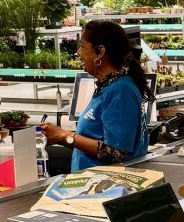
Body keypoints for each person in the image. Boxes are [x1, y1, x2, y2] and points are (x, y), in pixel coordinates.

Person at [41, 20, 152, 172]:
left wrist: (64, 136)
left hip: (107, 189)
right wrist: (60, 136)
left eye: (82, 46)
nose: (78, 53)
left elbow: (116, 152)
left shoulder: (121, 90)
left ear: (100, 51)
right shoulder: (108, 86)